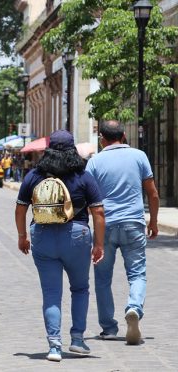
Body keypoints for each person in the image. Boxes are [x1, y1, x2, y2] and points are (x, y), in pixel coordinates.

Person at [15, 130, 105, 362]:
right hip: (76, 236)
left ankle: (54, 346)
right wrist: (98, 244)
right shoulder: (82, 175)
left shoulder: (35, 175)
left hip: (43, 236)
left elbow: (20, 208)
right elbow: (98, 212)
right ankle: (77, 339)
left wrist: (22, 236)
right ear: (73, 149)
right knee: (80, 288)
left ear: (49, 149)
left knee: (51, 293)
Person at [85, 120, 159, 345]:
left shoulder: (94, 162)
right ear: (124, 136)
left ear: (102, 139)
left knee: (102, 278)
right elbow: (153, 193)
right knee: (137, 273)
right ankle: (134, 307)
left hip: (104, 225)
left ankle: (108, 328)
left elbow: (87, 198)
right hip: (133, 224)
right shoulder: (139, 156)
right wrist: (153, 222)